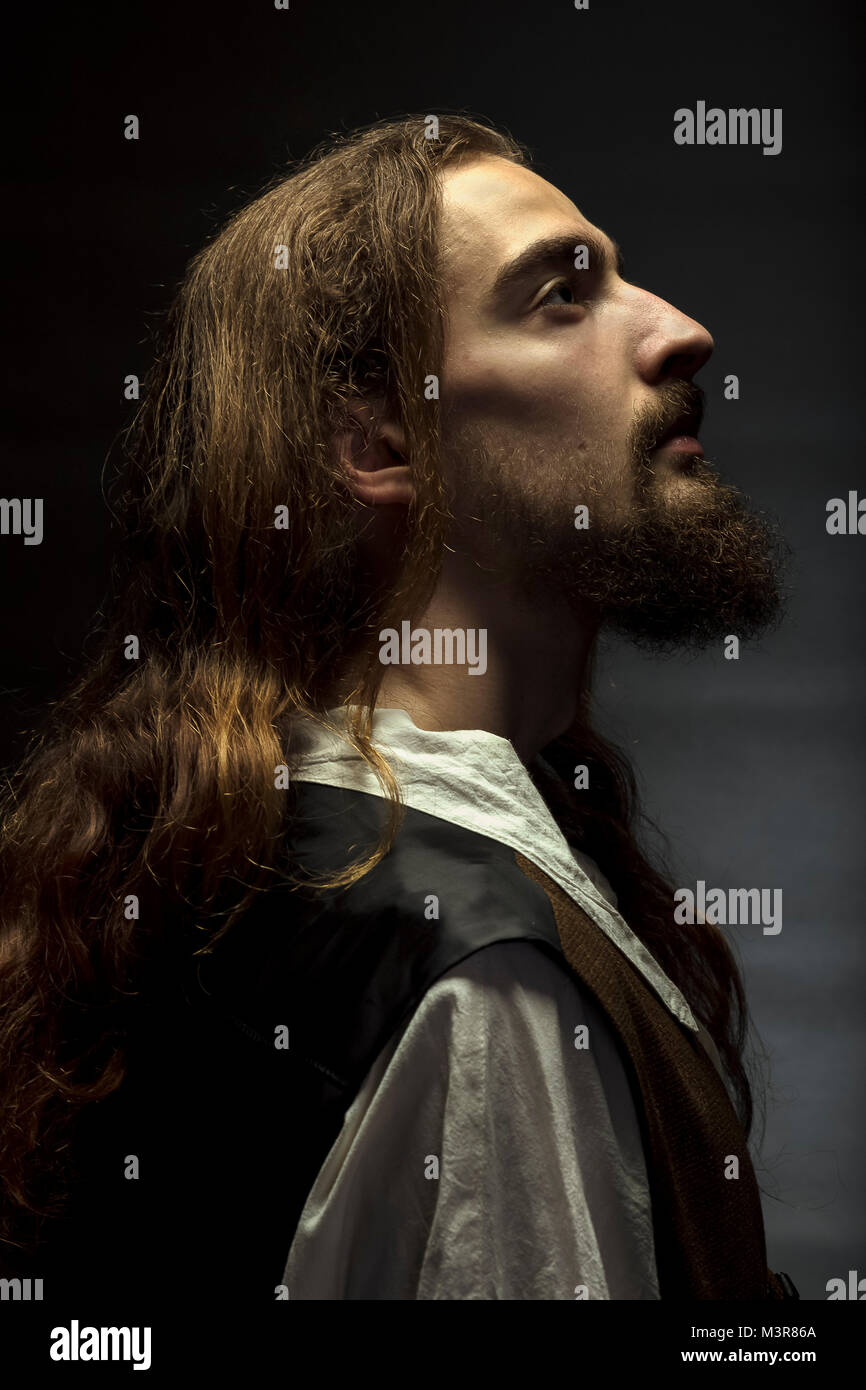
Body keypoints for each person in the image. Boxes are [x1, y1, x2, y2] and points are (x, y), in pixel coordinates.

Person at [0, 113, 796, 1304]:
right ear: (377, 438)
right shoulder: (476, 973)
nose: (682, 331)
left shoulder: (301, 862)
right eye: (560, 298)